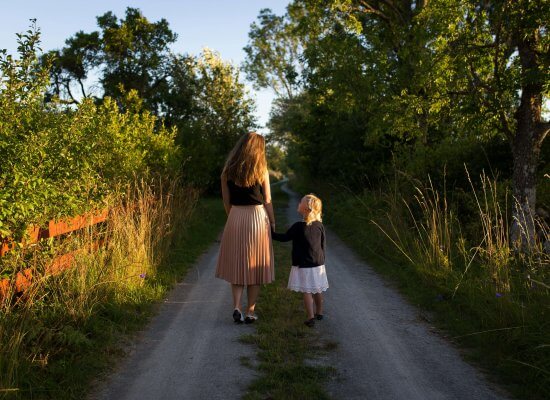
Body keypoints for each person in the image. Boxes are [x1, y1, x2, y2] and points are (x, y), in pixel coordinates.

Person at [215, 132, 275, 324]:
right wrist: (272, 222)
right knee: (255, 266)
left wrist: (233, 217)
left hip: (235, 216)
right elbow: (267, 200)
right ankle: (250, 311)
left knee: (238, 265)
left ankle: (236, 307)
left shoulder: (227, 171)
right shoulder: (261, 170)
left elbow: (226, 202)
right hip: (257, 218)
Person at [271, 194, 328, 327]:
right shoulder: (320, 226)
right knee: (317, 289)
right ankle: (319, 312)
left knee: (307, 291)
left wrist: (270, 233)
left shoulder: (298, 226)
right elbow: (323, 245)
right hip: (318, 264)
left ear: (306, 208)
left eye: (301, 202)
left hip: (303, 264)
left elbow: (284, 237)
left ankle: (310, 317)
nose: (298, 203)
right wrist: (322, 260)